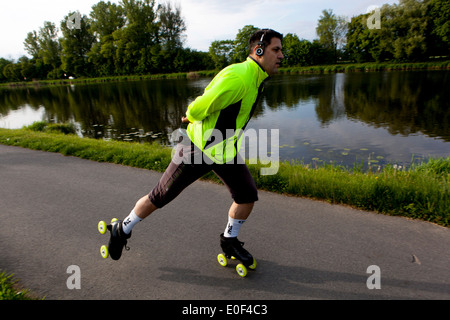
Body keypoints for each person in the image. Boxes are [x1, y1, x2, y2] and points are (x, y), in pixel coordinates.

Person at [106, 29, 284, 266]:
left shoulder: (256, 78)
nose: (281, 55)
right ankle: (123, 228)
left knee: (246, 195)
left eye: (281, 50)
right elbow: (199, 106)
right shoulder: (239, 76)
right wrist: (190, 117)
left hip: (224, 151)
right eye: (276, 50)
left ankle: (229, 242)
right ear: (258, 50)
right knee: (160, 196)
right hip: (197, 149)